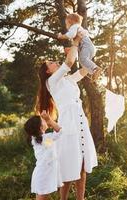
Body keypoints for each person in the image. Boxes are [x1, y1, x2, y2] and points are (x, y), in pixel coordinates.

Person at [35, 37, 98, 200]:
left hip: (81, 123)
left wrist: (87, 57)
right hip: (68, 126)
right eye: (51, 63)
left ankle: (80, 199)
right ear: (48, 71)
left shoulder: (67, 80)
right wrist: (74, 44)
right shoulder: (52, 81)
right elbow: (69, 62)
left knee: (83, 166)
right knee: (69, 167)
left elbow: (84, 70)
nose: (55, 62)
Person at [24, 110, 63, 200]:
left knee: (42, 197)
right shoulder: (44, 139)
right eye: (43, 120)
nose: (45, 121)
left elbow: (50, 145)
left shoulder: (39, 139)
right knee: (42, 197)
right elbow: (60, 131)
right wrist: (49, 120)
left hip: (43, 172)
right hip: (44, 174)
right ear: (41, 127)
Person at [57, 13, 101, 80]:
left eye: (66, 24)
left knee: (83, 59)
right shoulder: (79, 28)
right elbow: (77, 44)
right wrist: (71, 49)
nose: (66, 26)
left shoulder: (75, 26)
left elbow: (71, 35)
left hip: (86, 46)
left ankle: (96, 69)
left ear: (70, 22)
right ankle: (93, 73)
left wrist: (61, 36)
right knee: (82, 61)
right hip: (88, 47)